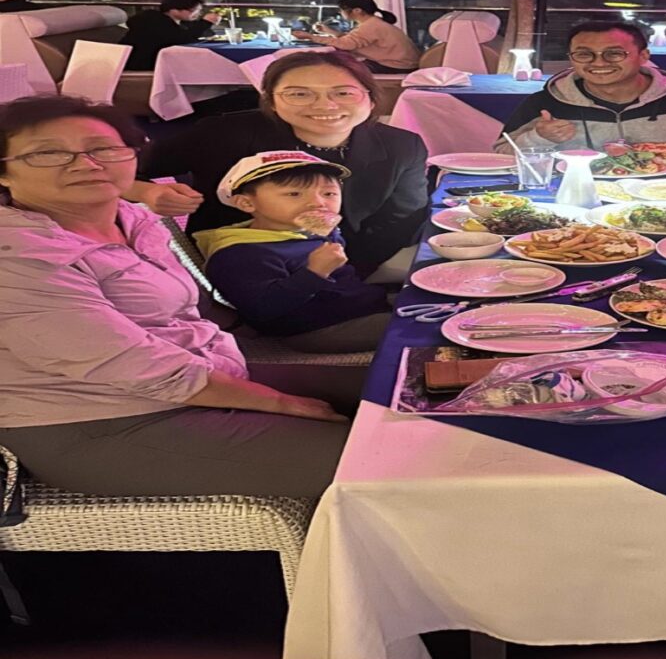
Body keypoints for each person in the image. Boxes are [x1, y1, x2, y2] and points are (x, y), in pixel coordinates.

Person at [0, 95, 357, 499]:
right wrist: (281, 403)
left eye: (103, 148)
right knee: (382, 460)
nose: (86, 163)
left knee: (398, 392)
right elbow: (130, 363)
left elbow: (186, 312)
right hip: (104, 421)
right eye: (47, 153)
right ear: (4, 173)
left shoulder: (131, 218)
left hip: (201, 374)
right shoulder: (17, 254)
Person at [130, 51, 429, 274]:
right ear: (271, 101)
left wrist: (347, 268)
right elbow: (119, 167)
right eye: (299, 94)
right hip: (243, 263)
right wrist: (146, 191)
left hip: (350, 259)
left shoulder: (402, 146)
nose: (325, 105)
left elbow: (401, 219)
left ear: (371, 100)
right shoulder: (224, 134)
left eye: (343, 93)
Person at [194, 152, 392, 352]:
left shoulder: (314, 230)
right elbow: (263, 309)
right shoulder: (238, 254)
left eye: (329, 194)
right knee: (411, 330)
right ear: (247, 203)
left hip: (360, 303)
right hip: (317, 329)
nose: (318, 203)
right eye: (294, 194)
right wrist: (315, 272)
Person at [500, 20, 666, 152]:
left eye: (614, 54)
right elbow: (502, 154)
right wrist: (539, 138)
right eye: (584, 54)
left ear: (644, 56)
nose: (599, 63)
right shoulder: (546, 103)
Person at [292, 0, 419, 74]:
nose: (341, 13)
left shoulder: (371, 26)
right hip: (401, 64)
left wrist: (310, 36)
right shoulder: (374, 23)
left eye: (342, 10)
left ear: (357, 10)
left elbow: (346, 44)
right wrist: (328, 31)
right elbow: (351, 41)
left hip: (396, 66)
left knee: (337, 69)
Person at [121, 0, 223, 71]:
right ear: (174, 10)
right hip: (142, 65)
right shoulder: (154, 22)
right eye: (194, 10)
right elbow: (181, 39)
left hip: (157, 62)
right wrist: (205, 23)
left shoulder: (174, 22)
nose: (198, 14)